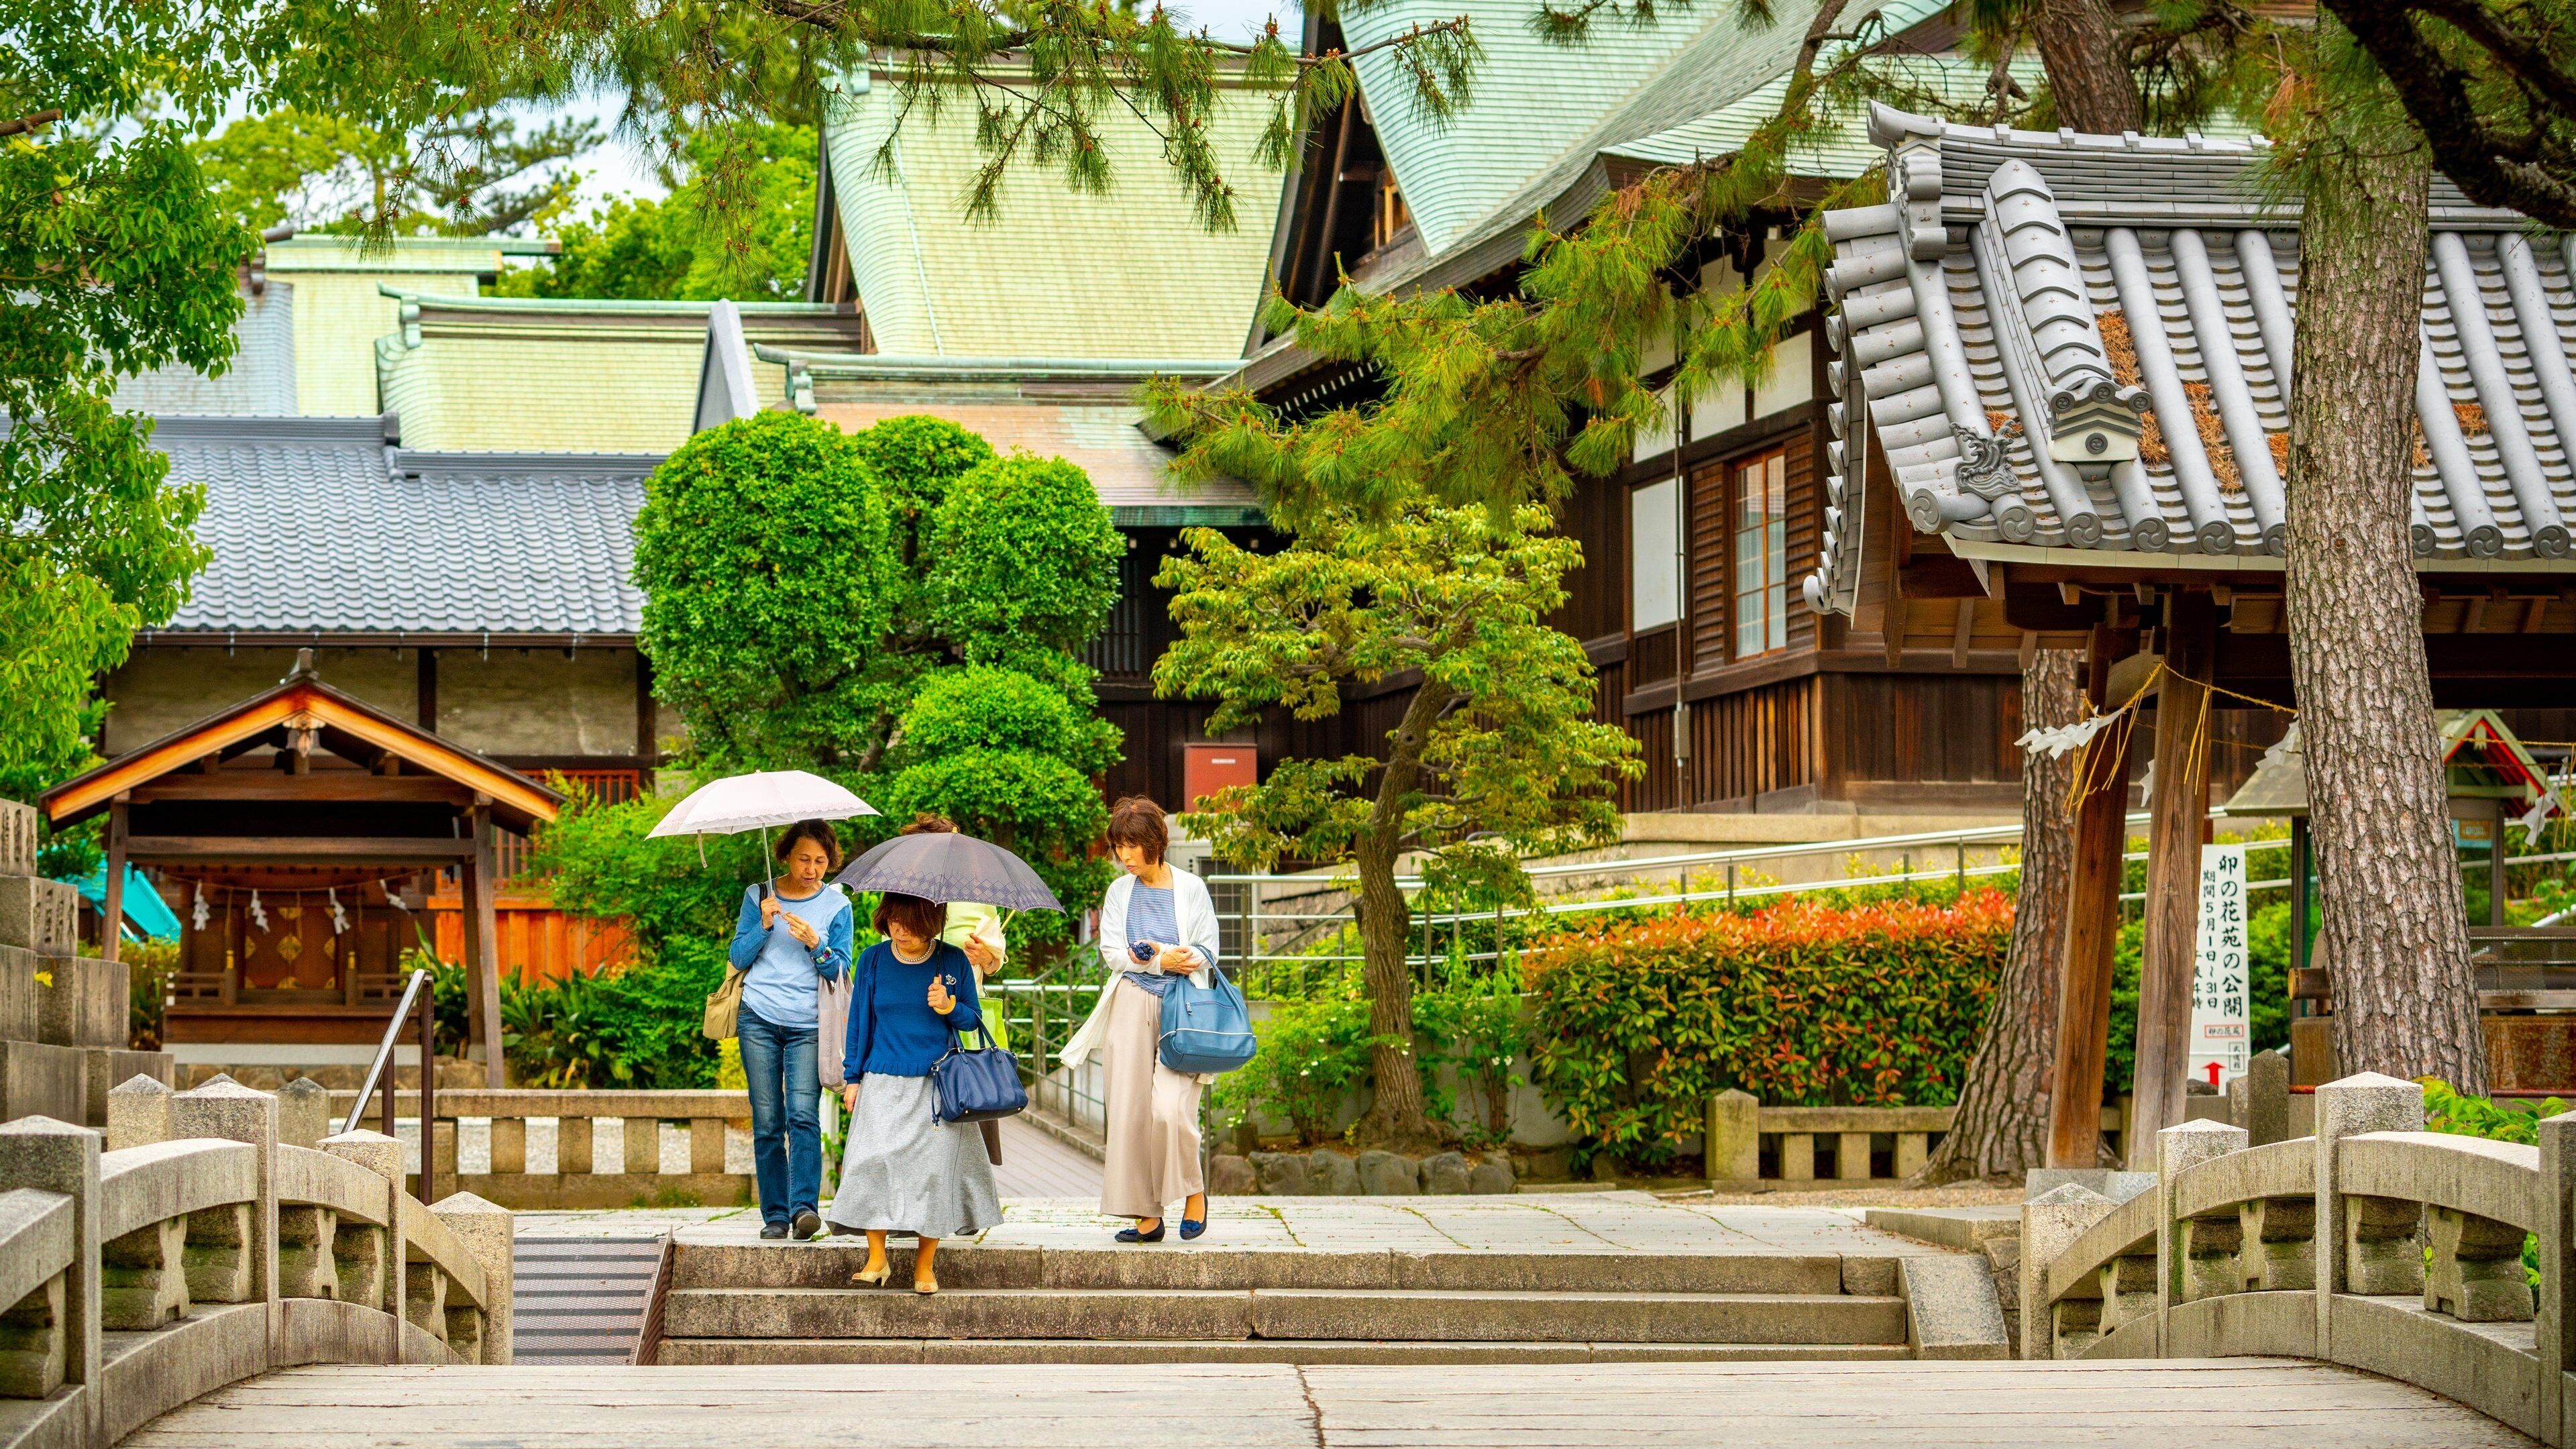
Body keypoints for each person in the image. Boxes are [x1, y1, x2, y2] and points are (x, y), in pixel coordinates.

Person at [1059, 796, 1222, 1243]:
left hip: (1183, 1007)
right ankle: (1145, 1217)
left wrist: (1183, 957)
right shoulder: (1118, 892)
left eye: (1132, 846)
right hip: (1132, 1003)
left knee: (1170, 1110)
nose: (1125, 856)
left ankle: (1194, 1191)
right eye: (1119, 847)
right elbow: (1113, 953)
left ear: (1155, 842)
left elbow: (1210, 948)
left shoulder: (1190, 887)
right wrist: (1155, 961)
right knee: (1129, 1114)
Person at [826, 890, 1002, 1293]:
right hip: (882, 1079)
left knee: (933, 1175)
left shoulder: (953, 960)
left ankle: (926, 1265)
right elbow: (859, 1025)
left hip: (937, 1084)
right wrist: (852, 1078)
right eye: (891, 920)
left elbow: (973, 1022)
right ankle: (877, 1258)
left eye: (907, 923)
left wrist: (949, 1006)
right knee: (870, 1162)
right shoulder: (872, 959)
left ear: (929, 921)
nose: (897, 930)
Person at [726, 820, 853, 1241]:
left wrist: (818, 944)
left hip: (809, 1023)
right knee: (767, 1120)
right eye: (804, 859)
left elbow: (841, 971)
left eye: (820, 861)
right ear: (785, 855)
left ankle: (804, 1210)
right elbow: (739, 956)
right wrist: (763, 925)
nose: (812, 869)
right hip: (758, 1017)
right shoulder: (758, 895)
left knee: (802, 1116)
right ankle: (775, 1216)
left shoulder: (838, 906)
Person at [895, 813, 1011, 1166]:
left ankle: (967, 1197)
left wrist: (985, 956)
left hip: (963, 1017)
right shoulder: (903, 891)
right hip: (913, 1015)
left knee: (966, 1105)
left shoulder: (979, 895)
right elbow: (892, 946)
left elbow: (995, 961)